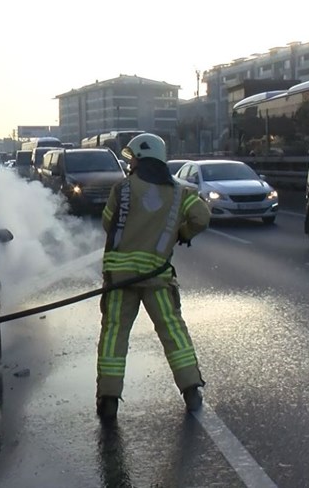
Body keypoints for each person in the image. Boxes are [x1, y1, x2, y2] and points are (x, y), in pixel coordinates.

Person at [96, 133, 211, 421]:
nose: (131, 163)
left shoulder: (122, 189)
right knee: (172, 331)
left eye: (132, 158)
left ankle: (108, 398)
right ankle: (191, 390)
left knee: (114, 334)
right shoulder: (180, 193)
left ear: (139, 158)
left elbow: (107, 222)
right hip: (157, 278)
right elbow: (202, 218)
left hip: (120, 279)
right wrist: (182, 233)